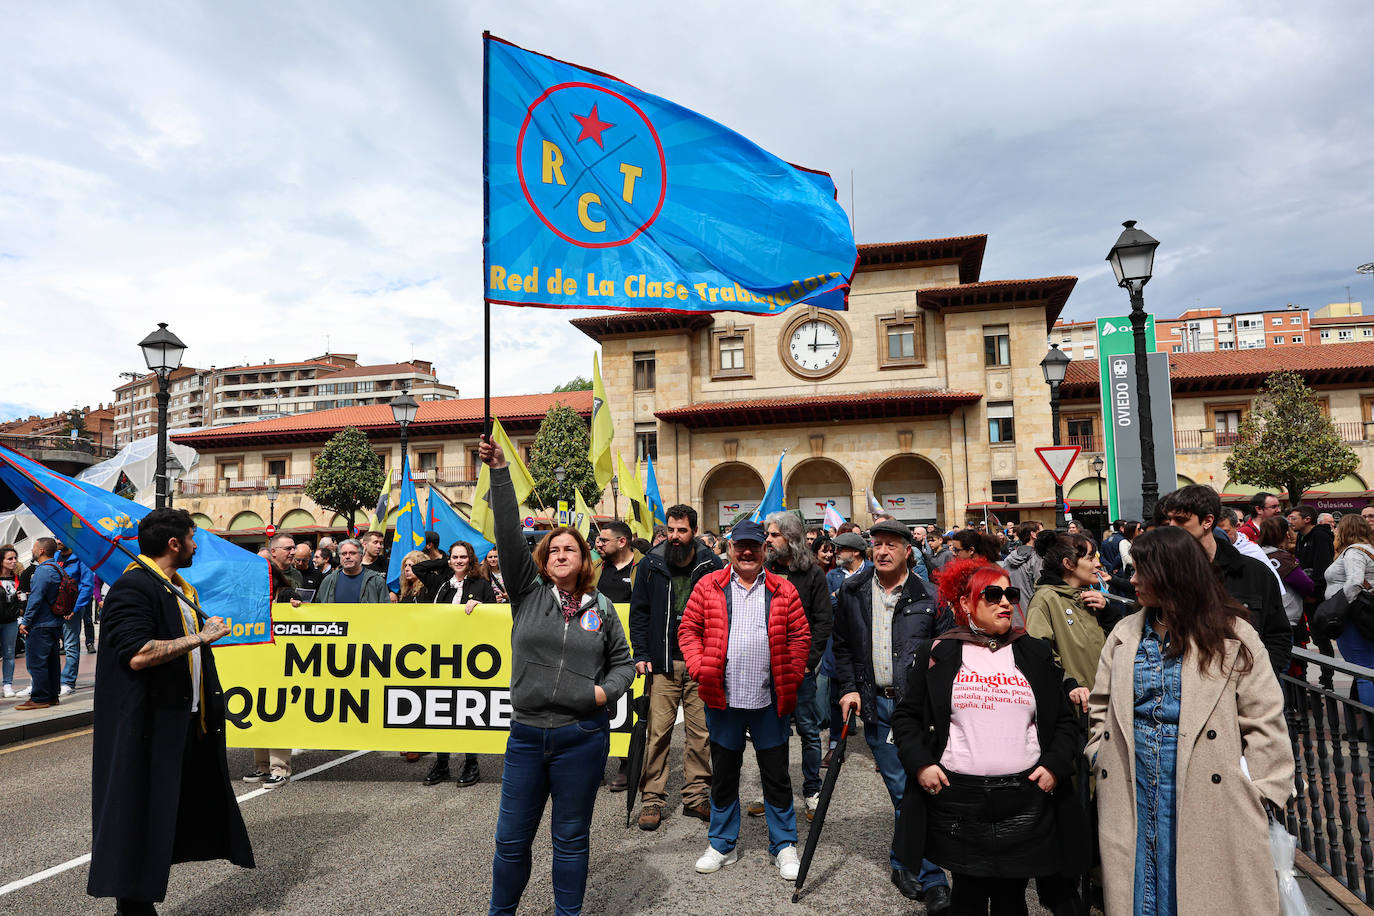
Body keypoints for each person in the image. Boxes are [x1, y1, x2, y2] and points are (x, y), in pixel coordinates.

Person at [1085, 526, 1293, 915]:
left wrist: (1262, 790)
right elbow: (1101, 703)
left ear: (1172, 573)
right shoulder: (1125, 633)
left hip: (1210, 789)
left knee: (1204, 894)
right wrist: (1099, 752)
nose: (1131, 580)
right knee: (1140, 891)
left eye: (1140, 571)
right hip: (1134, 782)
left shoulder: (1234, 635)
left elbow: (1264, 717)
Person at [478, 435, 634, 916]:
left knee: (570, 841)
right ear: (543, 561)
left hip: (581, 737)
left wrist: (602, 692)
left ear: (584, 559)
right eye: (554, 550)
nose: (562, 555)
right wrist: (502, 473)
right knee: (511, 842)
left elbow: (624, 664)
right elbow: (507, 533)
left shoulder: (602, 608)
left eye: (571, 549)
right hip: (526, 738)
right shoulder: (527, 595)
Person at [892, 560, 1088, 916]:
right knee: (967, 895)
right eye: (992, 594)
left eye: (1009, 594)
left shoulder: (1034, 652)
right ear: (965, 603)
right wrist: (921, 764)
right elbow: (906, 716)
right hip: (960, 800)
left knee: (1012, 899)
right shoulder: (938, 652)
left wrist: (1055, 767)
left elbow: (1063, 722)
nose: (1005, 603)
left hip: (1024, 799)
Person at [88, 508, 254, 914]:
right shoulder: (134, 588)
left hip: (180, 723)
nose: (198, 545)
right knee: (137, 814)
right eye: (194, 537)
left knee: (167, 813)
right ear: (174, 543)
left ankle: (140, 900)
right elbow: (139, 654)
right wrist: (202, 636)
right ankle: (133, 907)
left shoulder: (174, 588)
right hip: (145, 726)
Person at [677, 520, 810, 882]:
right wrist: (700, 667)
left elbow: (800, 634)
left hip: (770, 701)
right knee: (723, 775)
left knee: (777, 776)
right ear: (730, 549)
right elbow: (688, 630)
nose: (747, 552)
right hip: (723, 701)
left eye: (754, 546)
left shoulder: (783, 589)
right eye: (741, 546)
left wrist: (792, 673)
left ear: (765, 550)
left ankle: (783, 844)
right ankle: (722, 843)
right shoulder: (709, 585)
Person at [832, 519, 951, 910]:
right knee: (904, 791)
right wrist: (849, 688)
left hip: (918, 710)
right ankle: (926, 873)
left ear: (907, 551)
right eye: (876, 545)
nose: (881, 551)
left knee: (918, 788)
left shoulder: (930, 596)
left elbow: (947, 653)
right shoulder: (851, 592)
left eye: (890, 545)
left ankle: (912, 867)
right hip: (877, 706)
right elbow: (844, 646)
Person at [628, 503, 723, 830]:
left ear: (693, 531)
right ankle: (652, 798)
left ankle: (696, 795)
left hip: (701, 663)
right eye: (670, 529)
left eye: (682, 530)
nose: (675, 536)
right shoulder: (651, 563)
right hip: (662, 663)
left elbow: (724, 611)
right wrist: (640, 652)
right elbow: (639, 612)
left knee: (701, 734)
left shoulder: (712, 564)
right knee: (658, 733)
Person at [1157, 485, 1290, 676]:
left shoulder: (1254, 572)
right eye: (1169, 520)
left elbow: (1278, 633)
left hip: (1244, 688)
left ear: (1207, 521)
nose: (1172, 527)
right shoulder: (1164, 573)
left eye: (1181, 520)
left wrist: (1263, 676)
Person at [761, 511, 832, 820]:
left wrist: (807, 663)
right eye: (768, 535)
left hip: (799, 670)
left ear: (790, 538)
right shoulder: (764, 572)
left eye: (774, 535)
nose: (768, 540)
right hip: (768, 669)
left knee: (808, 731)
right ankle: (776, 793)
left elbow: (822, 622)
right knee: (771, 733)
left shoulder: (813, 574)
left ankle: (812, 789)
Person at [421, 540, 496, 787]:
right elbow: (422, 571)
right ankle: (442, 763)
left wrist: (482, 608)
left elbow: (496, 616)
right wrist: (446, 561)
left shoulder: (482, 585)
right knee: (441, 710)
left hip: (471, 658)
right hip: (443, 656)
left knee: (467, 711)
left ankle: (471, 763)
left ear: (471, 559)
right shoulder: (443, 585)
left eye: (463, 557)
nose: (459, 561)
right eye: (455, 557)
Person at [245, 533, 302, 790]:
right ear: (274, 551)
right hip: (258, 653)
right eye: (288, 548)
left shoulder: (294, 580)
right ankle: (262, 766)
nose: (293, 552)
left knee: (277, 710)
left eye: (293, 548)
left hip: (283, 655)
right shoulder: (255, 578)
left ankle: (280, 768)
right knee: (258, 709)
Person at [590, 520, 641, 792]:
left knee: (628, 707)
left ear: (622, 542)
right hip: (596, 649)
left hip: (630, 651)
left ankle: (626, 762)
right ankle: (594, 762)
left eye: (604, 540)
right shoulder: (596, 568)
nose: (599, 544)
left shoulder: (643, 567)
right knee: (597, 705)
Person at [1324, 514, 1374, 705]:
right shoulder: (1368, 549)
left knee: (1363, 671)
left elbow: (1354, 582)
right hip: (1364, 615)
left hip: (1354, 617)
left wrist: (1335, 608)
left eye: (1338, 527)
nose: (1335, 530)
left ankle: (1369, 728)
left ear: (1345, 530)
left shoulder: (1354, 551)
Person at [15, 537, 68, 711]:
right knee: (52, 661)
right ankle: (52, 695)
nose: (32, 550)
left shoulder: (43, 571)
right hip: (54, 623)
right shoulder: (57, 568)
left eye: (34, 547)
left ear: (41, 551)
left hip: (41, 623)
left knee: (37, 662)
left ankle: (39, 697)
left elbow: (36, 598)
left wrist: (26, 622)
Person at [1292, 504, 1337, 685]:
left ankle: (1327, 681)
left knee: (1323, 640)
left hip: (1318, 598)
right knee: (1318, 639)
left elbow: (1322, 567)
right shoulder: (1301, 537)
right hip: (1307, 597)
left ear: (1307, 519)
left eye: (1294, 518)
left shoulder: (1319, 536)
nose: (1291, 522)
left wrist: (1315, 593)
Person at [1256, 516, 1313, 637]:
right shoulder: (1282, 558)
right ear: (1286, 534)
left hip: (1262, 614)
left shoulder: (1256, 553)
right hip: (1285, 616)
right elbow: (1306, 585)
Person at [55, 538, 95, 697]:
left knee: (71, 645)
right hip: (55, 608)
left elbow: (87, 585)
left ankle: (67, 682)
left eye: (60, 537)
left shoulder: (81, 558)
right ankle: (48, 680)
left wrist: (76, 608)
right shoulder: (56, 556)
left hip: (71, 608)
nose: (57, 540)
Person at [316, 539, 388, 603]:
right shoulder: (329, 580)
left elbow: (385, 611)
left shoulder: (376, 581)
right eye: (344, 554)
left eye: (352, 553)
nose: (347, 557)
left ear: (361, 557)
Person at [1002, 522, 1044, 608]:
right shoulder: (1036, 559)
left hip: (1015, 611)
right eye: (1041, 533)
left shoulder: (1009, 558)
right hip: (1033, 611)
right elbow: (1042, 589)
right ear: (1033, 534)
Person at [1, 545, 24, 697]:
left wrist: (21, 610)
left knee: (9, 653)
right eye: (10, 559)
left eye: (15, 558)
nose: (14, 561)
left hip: (10, 622)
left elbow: (23, 597)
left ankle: (7, 684)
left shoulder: (17, 579)